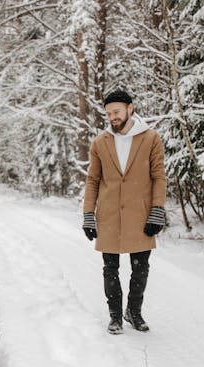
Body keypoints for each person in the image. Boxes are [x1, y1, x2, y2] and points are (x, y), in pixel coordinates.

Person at [82, 89, 167, 335]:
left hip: (140, 215)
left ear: (131, 108)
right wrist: (89, 214)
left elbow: (158, 177)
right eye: (108, 113)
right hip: (108, 215)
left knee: (140, 267)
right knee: (110, 267)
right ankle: (116, 316)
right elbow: (93, 180)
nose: (112, 117)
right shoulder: (100, 142)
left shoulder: (151, 138)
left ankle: (134, 312)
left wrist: (157, 211)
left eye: (116, 111)